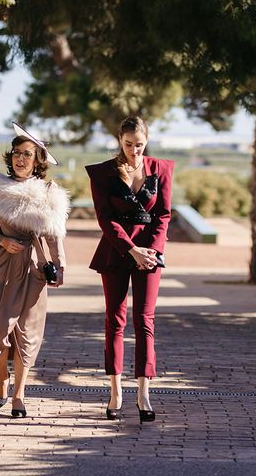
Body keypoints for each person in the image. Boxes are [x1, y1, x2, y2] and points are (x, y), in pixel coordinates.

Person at [0, 124, 70, 418]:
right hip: (1, 266)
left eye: (28, 154)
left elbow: (55, 235)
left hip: (34, 268)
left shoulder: (49, 193)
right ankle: (3, 377)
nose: (21, 159)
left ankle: (19, 393)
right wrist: (1, 238)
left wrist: (59, 268)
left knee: (27, 333)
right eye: (17, 153)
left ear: (38, 160)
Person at [85, 116, 174, 423]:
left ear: (146, 141)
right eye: (128, 144)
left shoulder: (161, 169)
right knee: (115, 320)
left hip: (149, 253)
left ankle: (144, 392)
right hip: (116, 250)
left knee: (145, 321)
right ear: (119, 139)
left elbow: (163, 215)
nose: (135, 151)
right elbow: (105, 218)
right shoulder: (102, 172)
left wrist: (151, 252)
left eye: (140, 145)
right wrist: (131, 249)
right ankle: (115, 391)